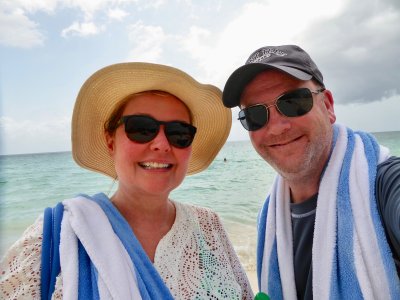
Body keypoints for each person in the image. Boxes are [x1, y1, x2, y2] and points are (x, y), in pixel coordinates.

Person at [0, 62, 254, 299]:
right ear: (111, 141)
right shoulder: (56, 235)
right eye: (142, 129)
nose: (162, 145)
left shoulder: (209, 226)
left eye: (179, 133)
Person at [222, 45, 400, 299]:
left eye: (293, 102)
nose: (275, 128)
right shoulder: (271, 215)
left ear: (327, 105)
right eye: (255, 114)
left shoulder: (383, 187)